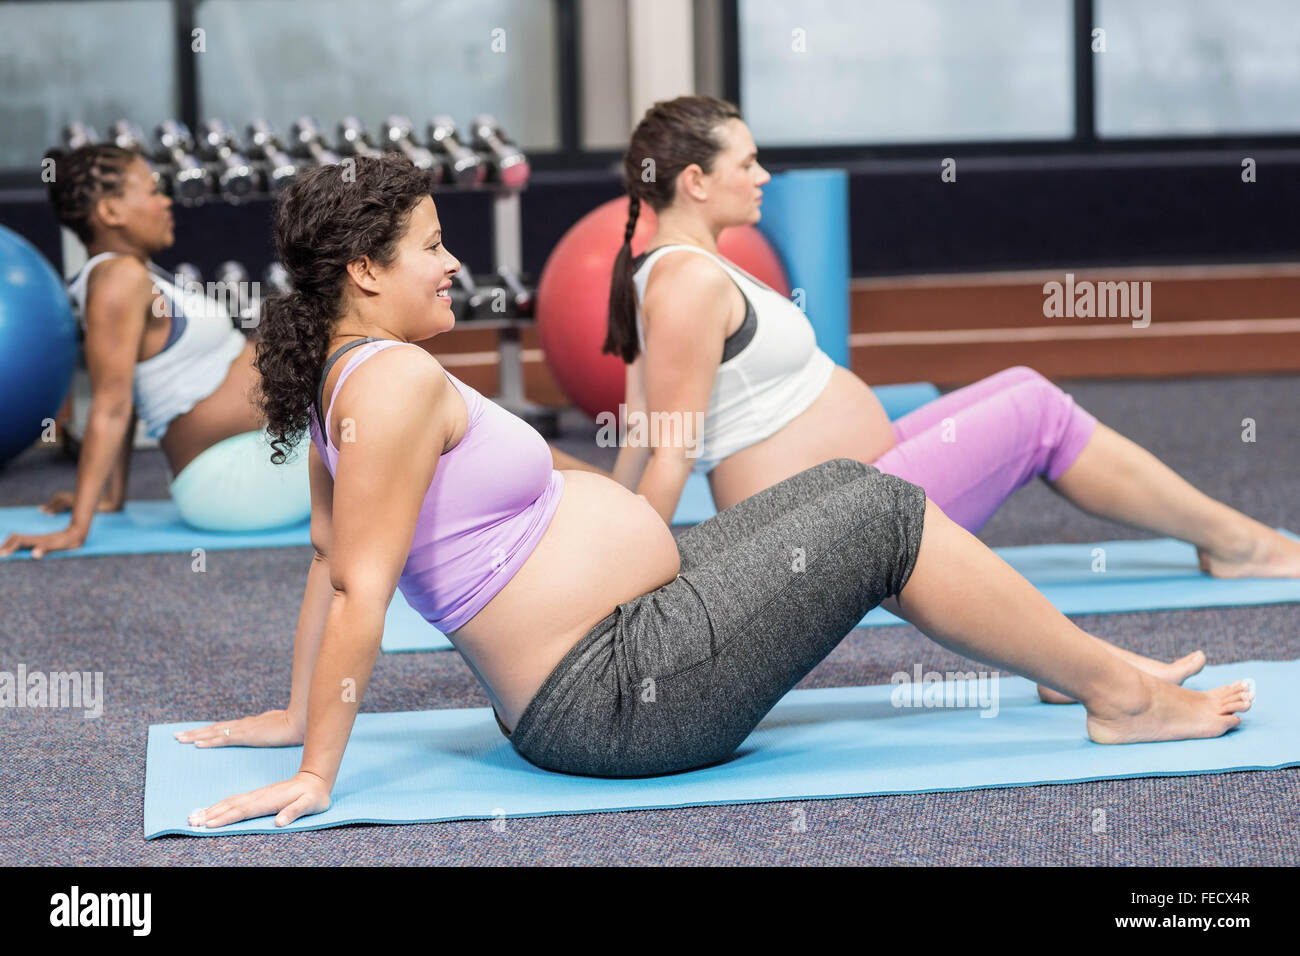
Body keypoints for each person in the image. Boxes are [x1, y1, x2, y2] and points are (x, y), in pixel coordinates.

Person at [175, 156, 1251, 831]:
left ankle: (1078, 668)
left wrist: (292, 706)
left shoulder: (347, 379)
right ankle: (1122, 696)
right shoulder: (395, 380)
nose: (452, 263)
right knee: (882, 512)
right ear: (365, 270)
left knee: (847, 486)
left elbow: (324, 559)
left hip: (630, 640)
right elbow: (357, 581)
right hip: (613, 698)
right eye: (429, 247)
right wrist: (319, 763)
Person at [606, 96, 1300, 581]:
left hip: (843, 492)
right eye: (748, 163)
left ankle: (1233, 539)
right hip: (818, 523)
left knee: (1025, 388)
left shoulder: (667, 272)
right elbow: (670, 448)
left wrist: (613, 533)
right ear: (695, 181)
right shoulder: (688, 284)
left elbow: (638, 426)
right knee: (1039, 414)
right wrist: (628, 586)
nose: (763, 177)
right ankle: (1239, 542)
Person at [0, 144, 310, 558]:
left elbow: (121, 395)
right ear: (110, 212)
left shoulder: (133, 275)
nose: (165, 201)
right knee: (388, 408)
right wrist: (78, 529)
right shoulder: (117, 281)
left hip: (258, 452)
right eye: (150, 191)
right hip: (232, 479)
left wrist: (116, 497)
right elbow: (110, 406)